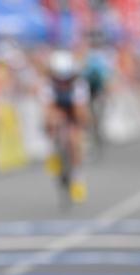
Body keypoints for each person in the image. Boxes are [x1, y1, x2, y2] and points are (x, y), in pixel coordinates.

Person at [44, 49, 91, 203]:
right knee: (51, 121)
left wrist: (77, 126)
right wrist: (53, 121)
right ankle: (53, 152)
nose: (63, 83)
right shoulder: (49, 85)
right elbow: (48, 107)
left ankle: (77, 176)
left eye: (66, 79)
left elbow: (80, 111)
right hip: (58, 108)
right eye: (59, 79)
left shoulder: (79, 85)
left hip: (73, 111)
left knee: (74, 140)